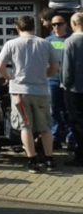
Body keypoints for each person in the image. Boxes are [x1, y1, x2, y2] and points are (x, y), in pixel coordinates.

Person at [0, 15, 58, 173]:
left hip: (20, 91)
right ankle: (49, 159)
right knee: (45, 127)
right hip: (41, 91)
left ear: (17, 28)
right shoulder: (45, 43)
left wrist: (9, 77)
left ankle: (32, 161)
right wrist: (45, 75)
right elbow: (55, 67)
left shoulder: (11, 44)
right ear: (34, 27)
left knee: (26, 126)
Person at [46, 14, 72, 150]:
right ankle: (55, 136)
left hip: (69, 81)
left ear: (66, 24)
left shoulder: (71, 40)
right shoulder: (47, 41)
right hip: (53, 80)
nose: (56, 26)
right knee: (54, 109)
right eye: (54, 24)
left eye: (59, 24)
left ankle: (71, 137)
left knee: (69, 110)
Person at [62, 11, 83, 167]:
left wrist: (65, 84)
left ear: (74, 24)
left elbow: (67, 69)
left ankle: (80, 155)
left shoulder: (70, 42)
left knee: (77, 123)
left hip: (75, 89)